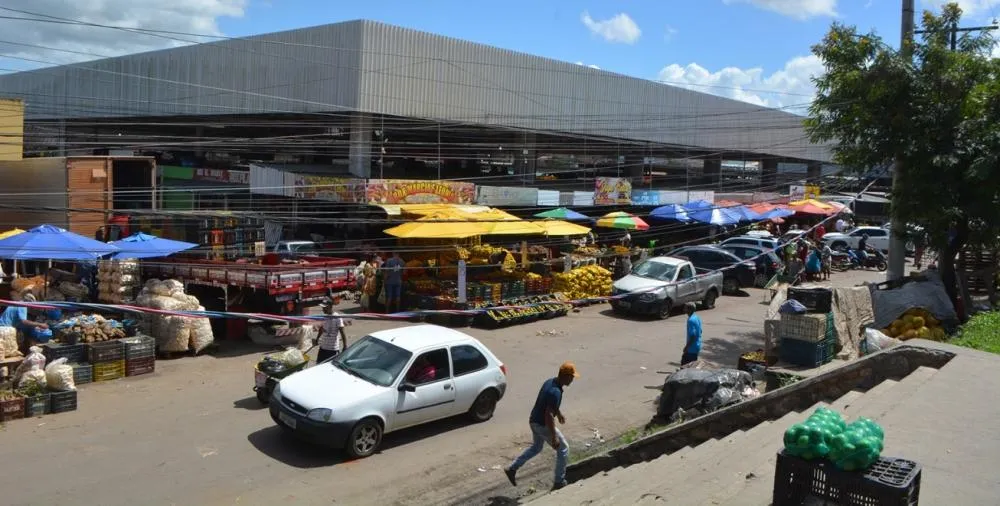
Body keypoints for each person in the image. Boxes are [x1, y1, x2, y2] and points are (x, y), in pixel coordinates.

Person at [505, 362, 579, 491]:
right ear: (565, 376)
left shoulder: (550, 382)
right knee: (563, 449)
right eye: (571, 377)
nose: (573, 379)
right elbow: (548, 415)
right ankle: (559, 481)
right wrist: (554, 437)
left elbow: (548, 404)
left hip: (533, 421)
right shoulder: (555, 391)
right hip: (542, 424)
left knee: (536, 448)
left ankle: (512, 468)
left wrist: (559, 413)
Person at [315, 298, 347, 364]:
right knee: (319, 365)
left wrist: (345, 346)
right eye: (322, 307)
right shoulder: (324, 317)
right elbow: (321, 329)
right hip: (323, 347)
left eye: (324, 307)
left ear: (330, 306)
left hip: (332, 350)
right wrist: (317, 339)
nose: (323, 309)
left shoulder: (337, 317)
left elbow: (342, 332)